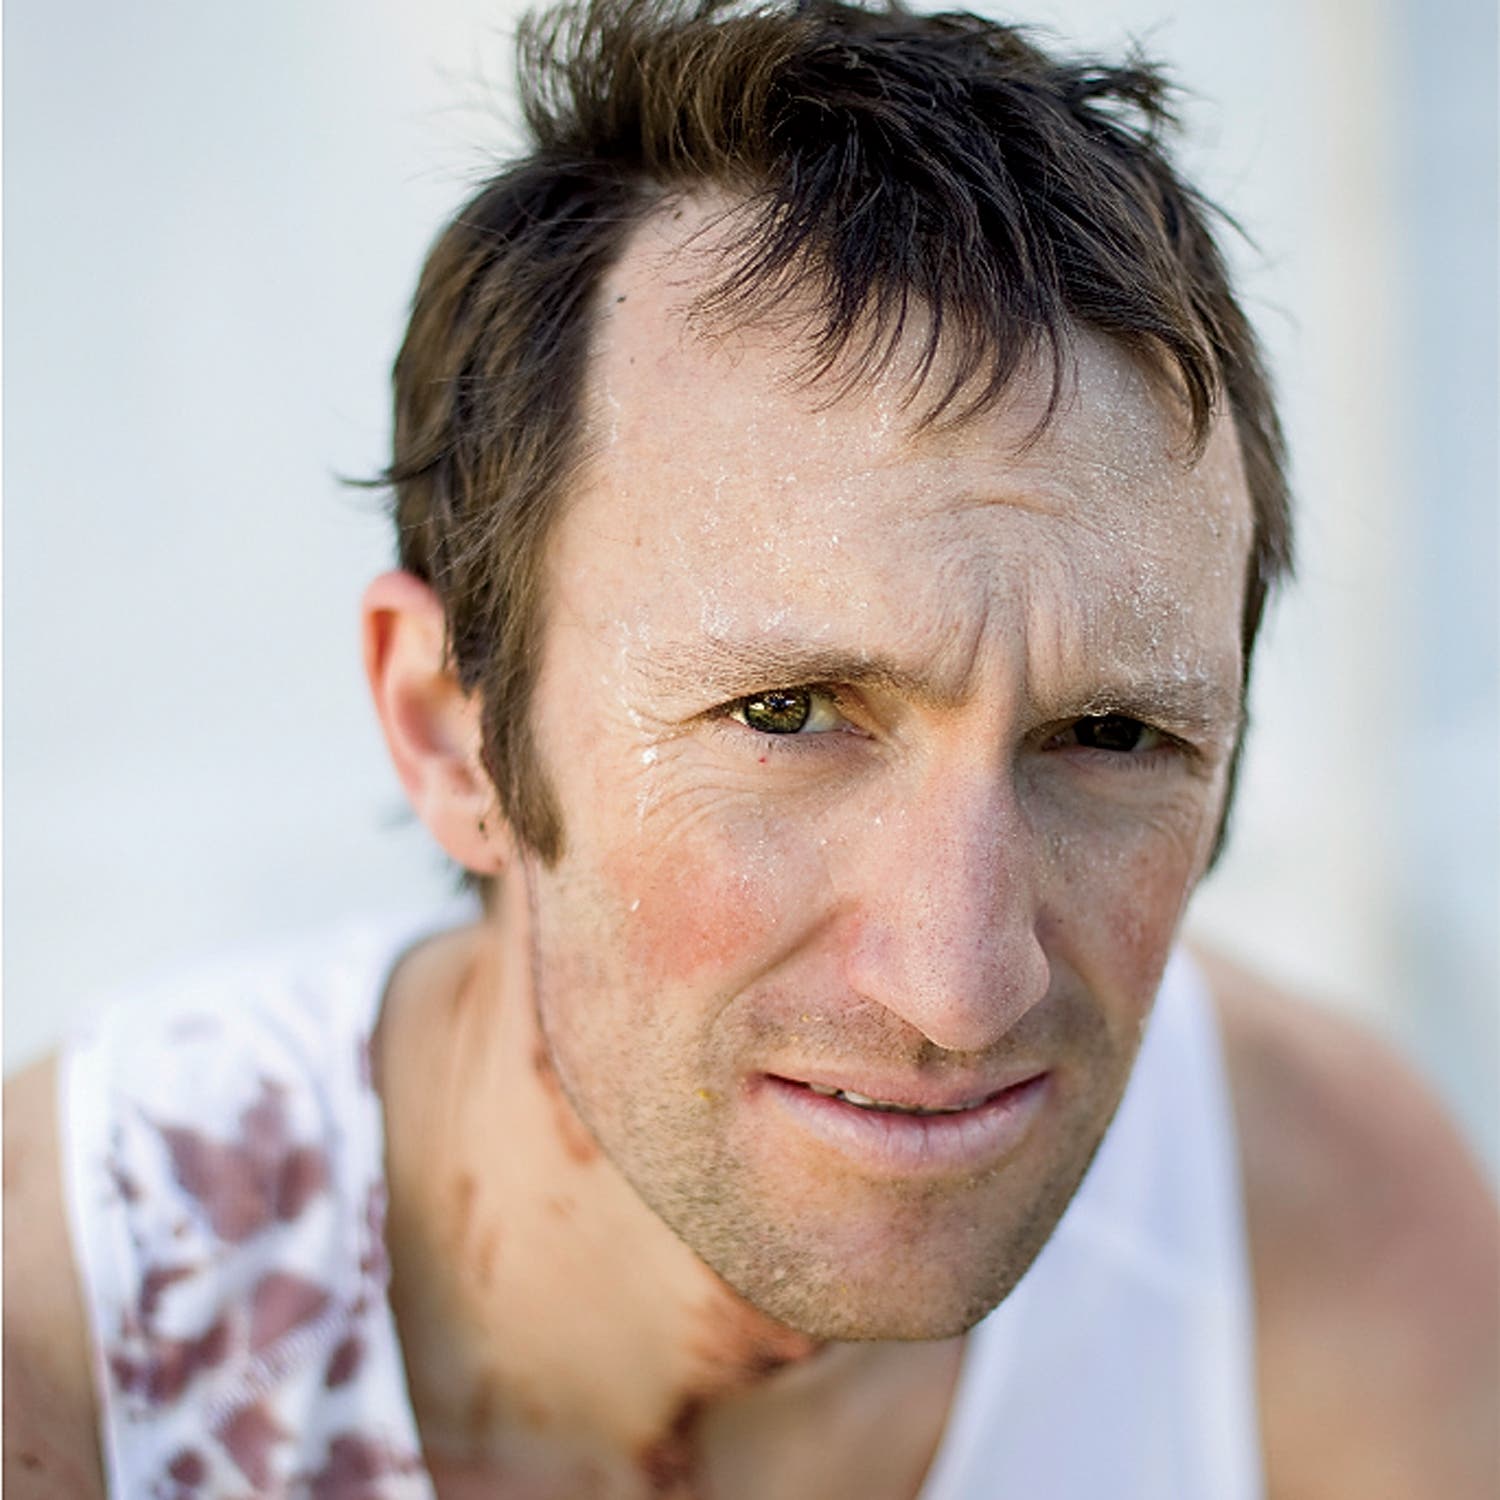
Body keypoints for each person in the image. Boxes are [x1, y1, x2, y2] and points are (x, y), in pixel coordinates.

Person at [5, 0, 1496, 1494]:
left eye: (1110, 733)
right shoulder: (69, 1364)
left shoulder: (1319, 1232)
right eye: (786, 716)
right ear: (447, 729)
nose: (962, 986)